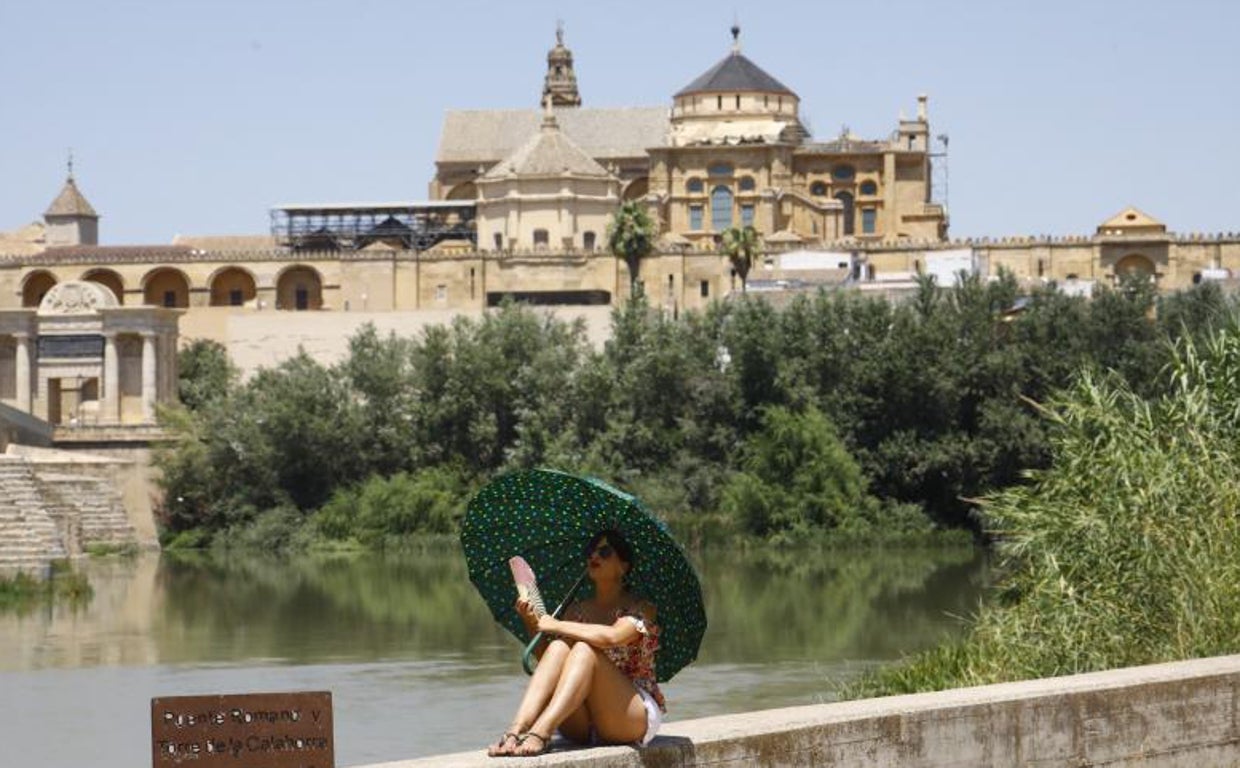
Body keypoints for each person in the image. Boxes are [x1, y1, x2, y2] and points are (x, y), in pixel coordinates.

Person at [487, 529, 665, 757]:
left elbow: (612, 637)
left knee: (583, 650)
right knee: (559, 647)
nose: (594, 556)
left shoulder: (642, 607)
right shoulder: (576, 610)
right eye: (590, 551)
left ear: (624, 566)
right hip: (581, 720)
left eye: (605, 551)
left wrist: (556, 626)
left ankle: (540, 732)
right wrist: (532, 623)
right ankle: (515, 731)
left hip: (627, 714)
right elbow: (548, 662)